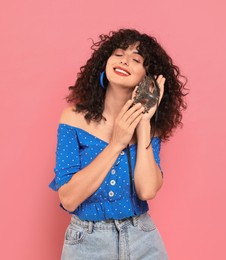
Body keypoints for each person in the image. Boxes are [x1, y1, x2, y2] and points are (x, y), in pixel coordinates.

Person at [48, 28, 187, 260]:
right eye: (119, 54)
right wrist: (116, 144)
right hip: (86, 241)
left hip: (142, 237)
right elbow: (68, 199)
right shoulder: (72, 119)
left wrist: (143, 123)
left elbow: (147, 190)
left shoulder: (151, 128)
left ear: (147, 76)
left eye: (136, 59)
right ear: (105, 62)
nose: (124, 61)